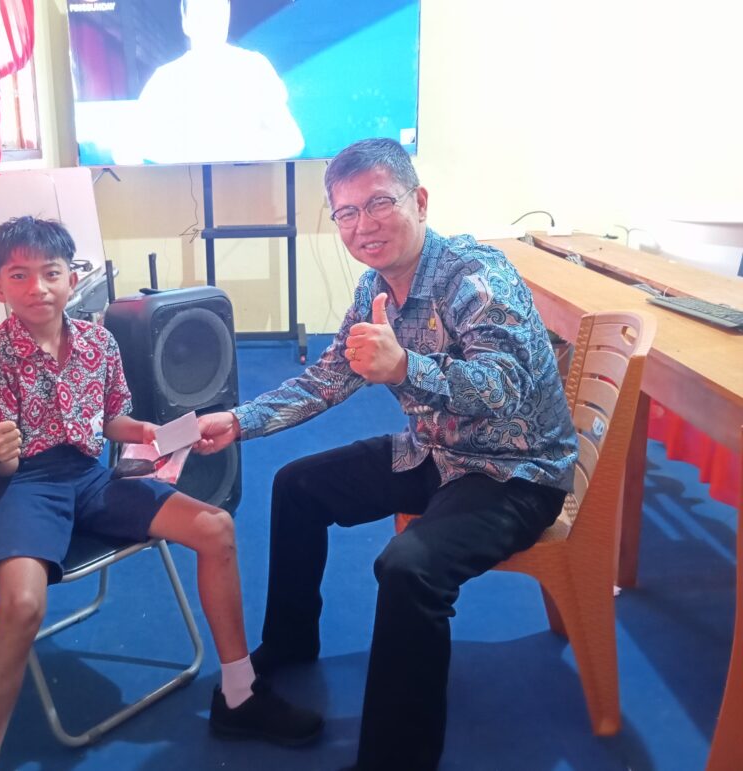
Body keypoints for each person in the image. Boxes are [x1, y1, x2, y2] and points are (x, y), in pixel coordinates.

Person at [195, 138, 577, 770]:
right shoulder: (374, 287)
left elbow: (503, 389)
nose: (363, 225)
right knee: (297, 486)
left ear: (419, 201)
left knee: (408, 568)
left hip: (515, 471)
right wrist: (239, 421)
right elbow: (327, 379)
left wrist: (405, 366)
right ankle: (290, 641)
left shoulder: (476, 277)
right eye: (346, 212)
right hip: (436, 452)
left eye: (379, 203)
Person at [0, 217, 322, 771]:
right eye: (19, 275)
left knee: (216, 527)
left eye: (50, 273)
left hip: (91, 476)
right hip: (27, 484)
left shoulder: (98, 343)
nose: (37, 288)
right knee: (23, 603)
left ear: (71, 278)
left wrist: (153, 433)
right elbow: (1, 460)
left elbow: (111, 420)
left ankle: (239, 694)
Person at [118, 0, 304, 164]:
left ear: (227, 15)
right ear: (185, 20)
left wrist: (243, 152)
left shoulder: (254, 68)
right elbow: (125, 149)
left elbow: (292, 141)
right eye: (201, 12)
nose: (210, 21)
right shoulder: (166, 79)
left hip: (247, 186)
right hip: (180, 187)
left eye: (217, 11)